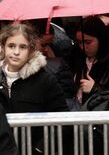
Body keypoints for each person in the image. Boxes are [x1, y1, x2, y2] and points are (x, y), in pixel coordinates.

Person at [0, 24, 69, 153]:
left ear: (31, 50)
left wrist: (39, 149)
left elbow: (63, 119)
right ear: (3, 47)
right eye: (11, 46)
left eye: (23, 47)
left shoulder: (46, 81)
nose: (16, 52)